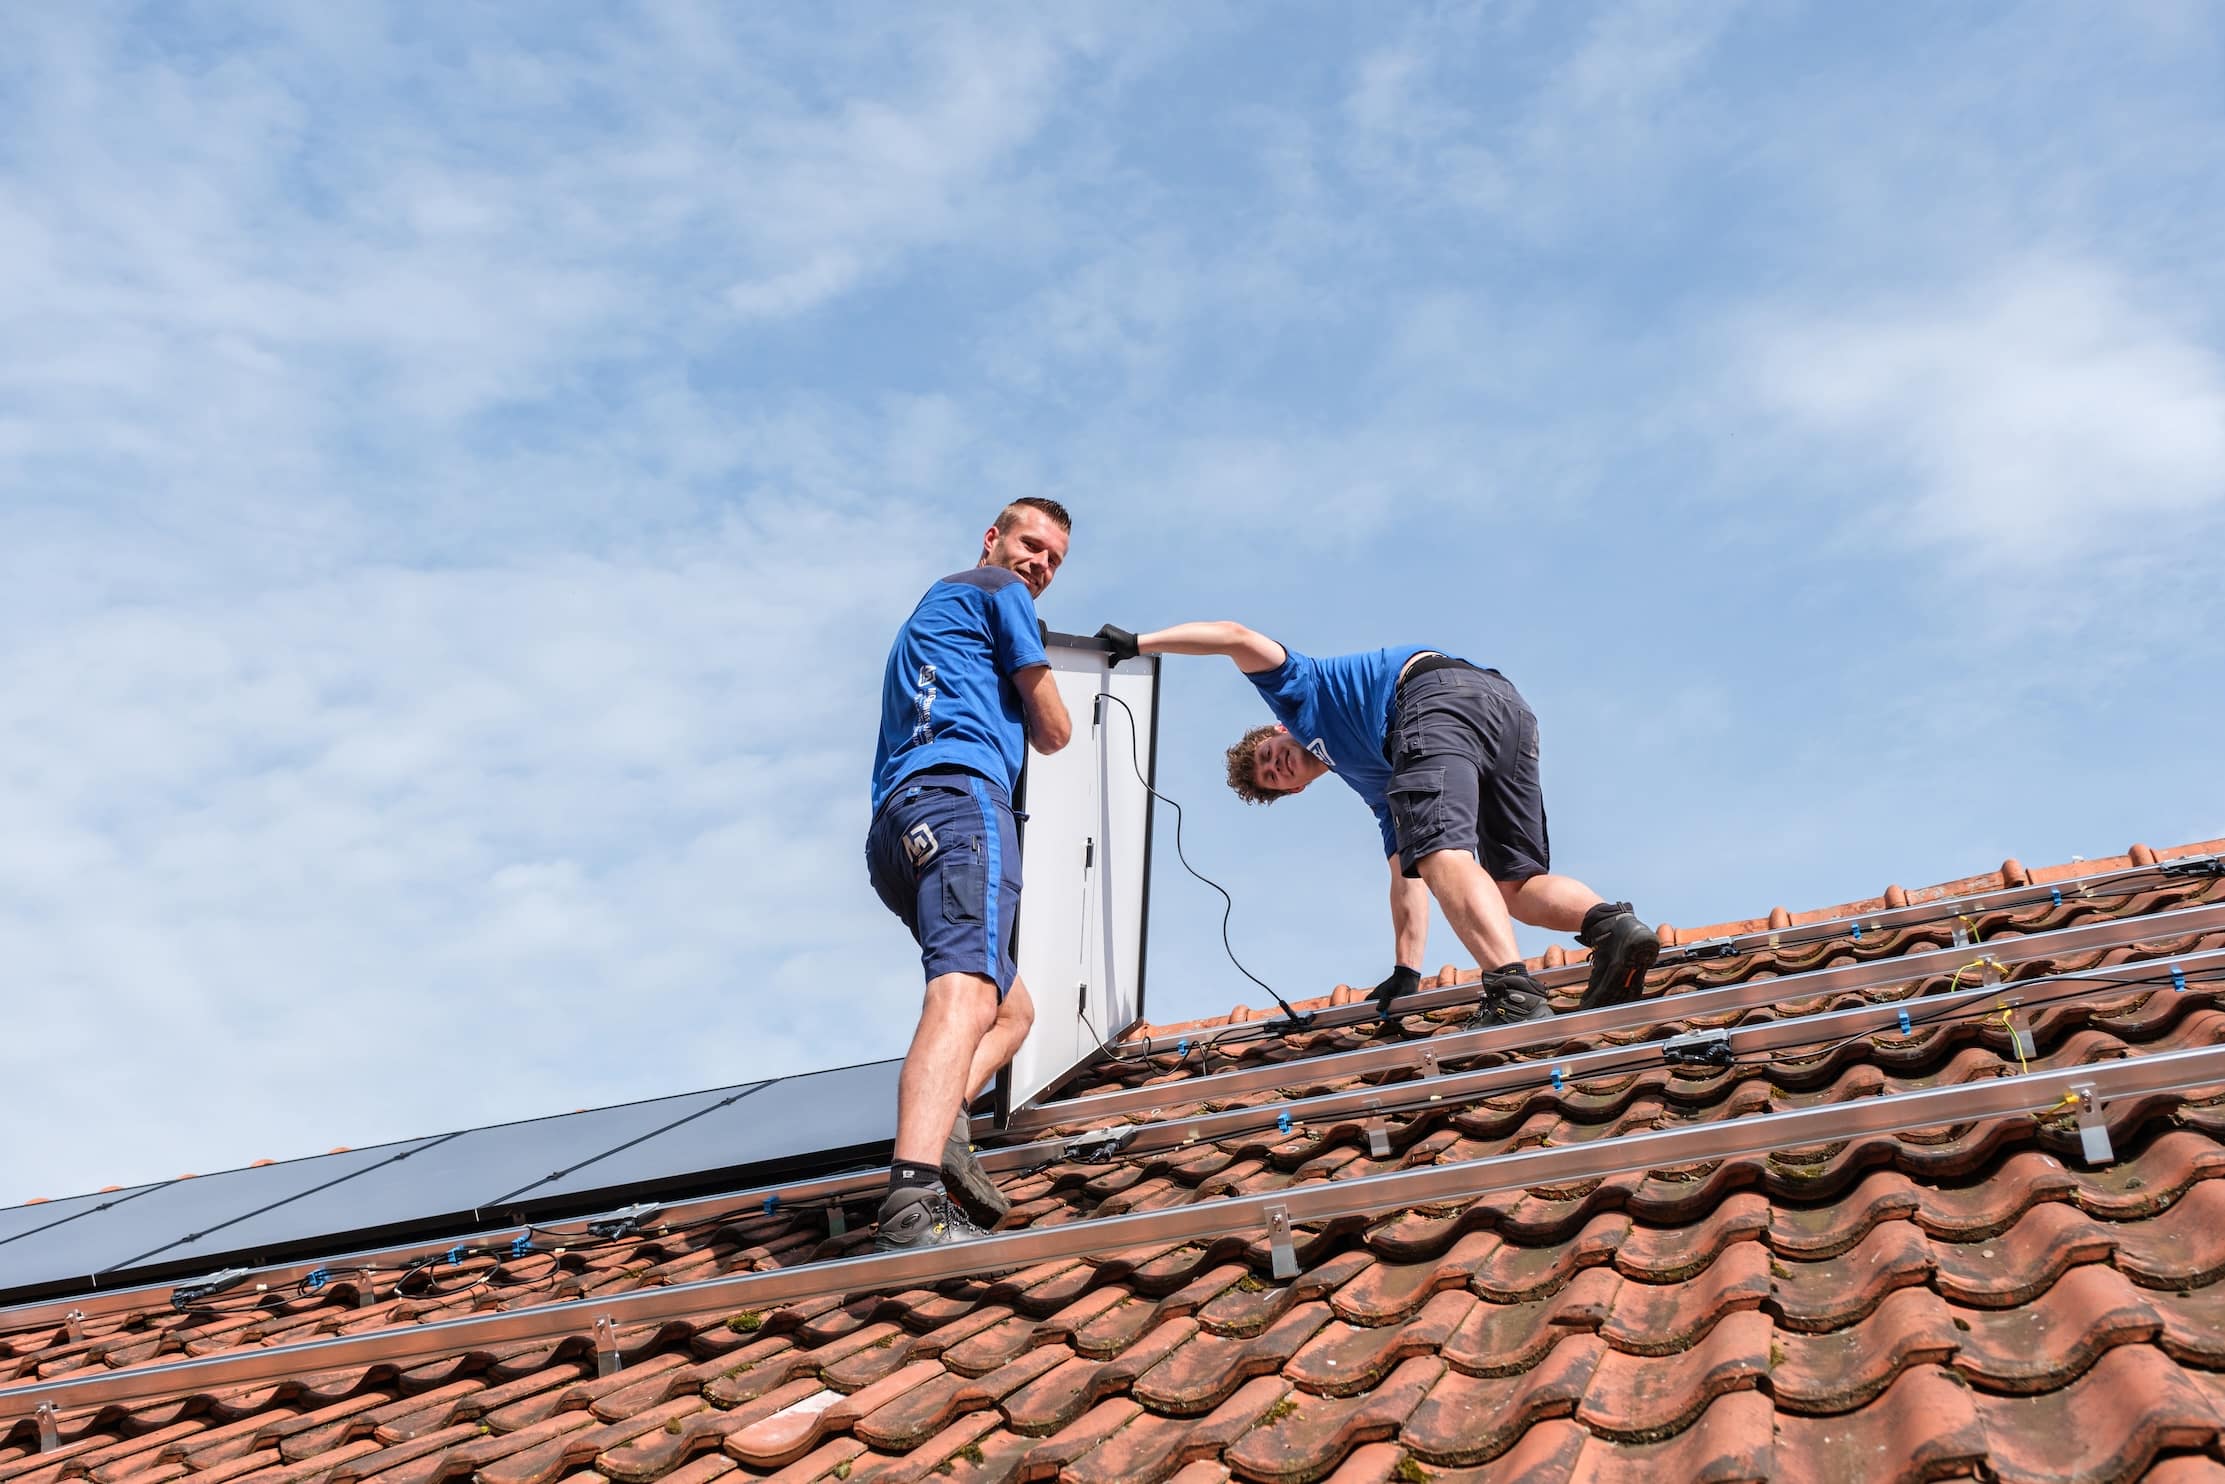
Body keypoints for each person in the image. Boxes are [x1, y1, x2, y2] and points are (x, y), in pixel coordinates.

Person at [1096, 621, 1657, 1026]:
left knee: (1445, 855)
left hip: (1430, 697)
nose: (1277, 765)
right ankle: (1612, 929)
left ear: (1277, 730)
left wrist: (1140, 643)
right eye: (1272, 778)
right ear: (1294, 789)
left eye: (1270, 755)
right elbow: (1406, 877)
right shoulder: (1377, 781)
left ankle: (1512, 991)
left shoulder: (1300, 692)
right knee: (1515, 883)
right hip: (1505, 709)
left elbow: (1235, 637)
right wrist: (1405, 969)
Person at [865, 498, 1073, 1251]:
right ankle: (912, 1204)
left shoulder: (934, 613)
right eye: (1030, 544)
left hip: (898, 827)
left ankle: (943, 1114)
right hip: (960, 802)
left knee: (1013, 1013)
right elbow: (1054, 729)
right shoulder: (997, 593)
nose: (1039, 564)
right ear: (993, 540)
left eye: (1053, 558)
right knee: (964, 992)